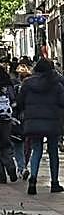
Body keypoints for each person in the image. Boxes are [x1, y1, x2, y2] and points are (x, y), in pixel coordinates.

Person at [17, 58, 64, 195]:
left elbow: (20, 101)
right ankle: (54, 182)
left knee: (36, 150)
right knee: (53, 151)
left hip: (33, 121)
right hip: (52, 122)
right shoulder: (57, 84)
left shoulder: (27, 83)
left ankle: (33, 180)